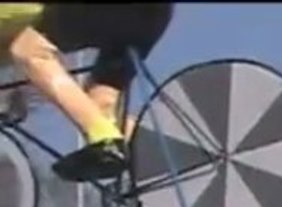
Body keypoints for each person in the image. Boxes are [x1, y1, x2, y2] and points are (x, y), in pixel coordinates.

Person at [0, 3, 173, 182]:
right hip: (155, 17)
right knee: (101, 101)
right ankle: (155, 152)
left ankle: (105, 140)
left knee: (29, 50)